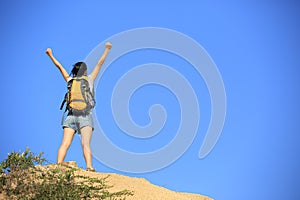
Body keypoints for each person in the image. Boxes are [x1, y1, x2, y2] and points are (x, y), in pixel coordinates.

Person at [45, 42, 112, 171]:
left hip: (70, 116)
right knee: (85, 144)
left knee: (65, 143)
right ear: (85, 71)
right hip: (85, 116)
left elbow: (59, 67)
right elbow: (100, 63)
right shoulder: (90, 80)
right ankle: (89, 166)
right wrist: (107, 50)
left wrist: (50, 55)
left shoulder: (70, 80)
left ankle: (58, 164)